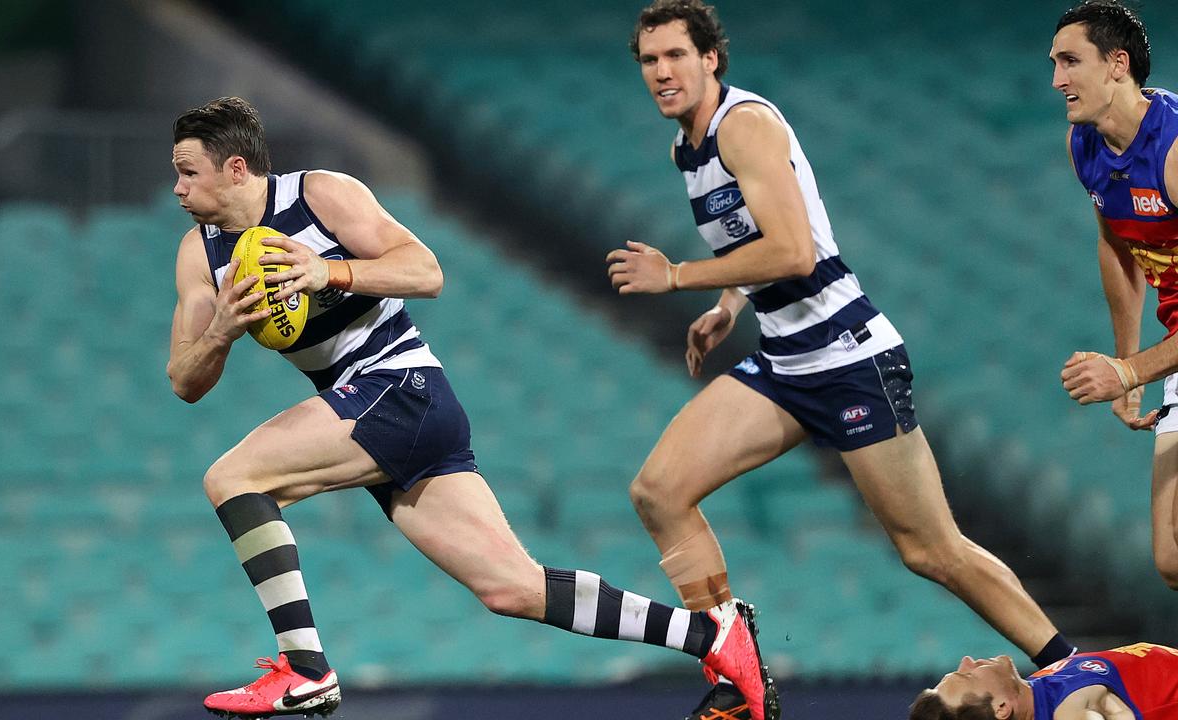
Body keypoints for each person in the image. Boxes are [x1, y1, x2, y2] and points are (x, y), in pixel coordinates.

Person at [166, 96, 771, 719]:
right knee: (513, 588)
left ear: (236, 168)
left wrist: (331, 272)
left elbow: (426, 271)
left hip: (400, 386)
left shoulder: (318, 194)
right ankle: (714, 637)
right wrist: (220, 332)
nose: (178, 187)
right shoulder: (199, 254)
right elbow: (185, 380)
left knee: (234, 477)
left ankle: (303, 667)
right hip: (377, 410)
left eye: (189, 171)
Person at [609, 2, 1077, 715]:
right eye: (649, 60)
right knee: (658, 492)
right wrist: (729, 306)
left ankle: (1074, 668)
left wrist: (675, 276)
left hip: (850, 357)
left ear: (711, 59)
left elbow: (795, 250)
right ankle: (737, 681)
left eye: (676, 55)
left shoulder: (745, 126)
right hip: (788, 361)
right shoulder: (687, 148)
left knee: (931, 552)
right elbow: (751, 242)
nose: (662, 72)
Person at [1053, 0, 1178, 591]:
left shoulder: (1175, 150)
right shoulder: (1086, 146)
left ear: (1118, 65)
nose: (1057, 80)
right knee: (1173, 557)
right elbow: (1117, 244)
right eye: (1055, 63)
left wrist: (1128, 372)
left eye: (1071, 61)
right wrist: (1129, 362)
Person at [909, 644, 1178, 719]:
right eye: (966, 675)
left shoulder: (1039, 688)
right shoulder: (1070, 711)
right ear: (1001, 707)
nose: (967, 660)